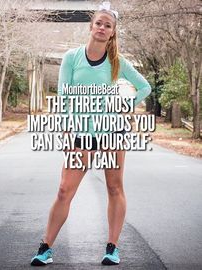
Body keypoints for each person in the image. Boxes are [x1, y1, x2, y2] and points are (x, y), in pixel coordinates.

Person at [31, 2, 151, 267]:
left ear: (112, 33)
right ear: (91, 26)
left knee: (114, 187)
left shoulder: (117, 62)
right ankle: (45, 248)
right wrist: (65, 129)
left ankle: (112, 248)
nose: (102, 27)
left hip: (112, 134)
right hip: (81, 135)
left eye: (108, 25)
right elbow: (63, 96)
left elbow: (144, 87)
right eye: (99, 23)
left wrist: (123, 106)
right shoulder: (72, 57)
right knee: (64, 190)